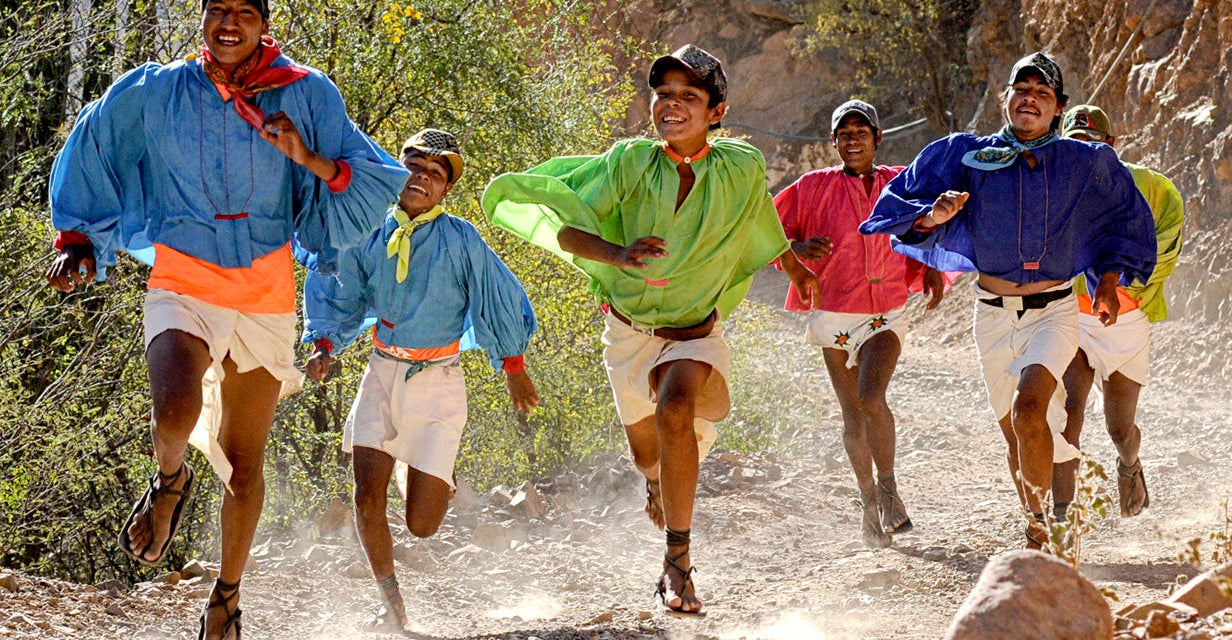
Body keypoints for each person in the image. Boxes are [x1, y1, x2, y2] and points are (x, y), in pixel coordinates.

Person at [45, 1, 409, 637]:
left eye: (245, 10)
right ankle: (170, 480)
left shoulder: (307, 93)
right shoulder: (158, 91)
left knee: (245, 465)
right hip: (183, 277)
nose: (230, 22)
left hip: (264, 291)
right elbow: (96, 141)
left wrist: (308, 157)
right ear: (203, 19)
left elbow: (371, 179)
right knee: (174, 411)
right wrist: (79, 239)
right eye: (217, 9)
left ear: (265, 24)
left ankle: (227, 596)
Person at [483, 44, 819, 615]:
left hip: (695, 334)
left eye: (689, 96)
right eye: (664, 94)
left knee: (674, 409)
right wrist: (615, 253)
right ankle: (659, 482)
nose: (672, 105)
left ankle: (678, 562)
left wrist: (790, 263)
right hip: (628, 333)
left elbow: (758, 217)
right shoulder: (630, 162)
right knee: (647, 457)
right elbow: (567, 231)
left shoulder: (741, 167)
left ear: (716, 111)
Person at [858, 52, 1157, 549]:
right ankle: (1054, 514)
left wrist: (1107, 278)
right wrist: (934, 215)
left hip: (1055, 311)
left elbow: (1122, 219)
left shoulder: (1082, 162)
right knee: (1019, 438)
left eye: (1043, 93)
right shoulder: (964, 157)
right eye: (1022, 89)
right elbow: (898, 205)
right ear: (1005, 98)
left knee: (1029, 410)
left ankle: (1044, 532)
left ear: (1058, 108)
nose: (1030, 100)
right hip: (991, 315)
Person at [302, 128, 540, 630]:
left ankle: (438, 477)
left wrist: (512, 366)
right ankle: (394, 610)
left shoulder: (461, 239)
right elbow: (340, 289)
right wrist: (324, 344)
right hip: (382, 372)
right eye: (414, 166)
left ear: (445, 189)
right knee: (366, 497)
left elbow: (497, 296)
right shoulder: (369, 231)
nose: (421, 178)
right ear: (399, 169)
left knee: (422, 525)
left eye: (435, 173)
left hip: (438, 381)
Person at [775, 99, 945, 548]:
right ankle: (867, 502)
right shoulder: (811, 187)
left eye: (861, 132)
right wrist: (795, 248)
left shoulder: (900, 181)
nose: (852, 140)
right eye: (844, 134)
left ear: (877, 139)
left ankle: (888, 489)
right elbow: (764, 229)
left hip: (886, 308)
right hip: (834, 312)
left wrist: (930, 267)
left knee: (872, 396)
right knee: (851, 413)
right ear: (833, 142)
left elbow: (927, 225)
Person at [1051, 105, 1183, 519]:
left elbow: (1168, 239)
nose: (1083, 152)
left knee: (1119, 428)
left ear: (1109, 146)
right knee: (1069, 412)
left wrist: (1124, 285)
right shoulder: (1050, 186)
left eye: (1091, 144)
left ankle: (1130, 465)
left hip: (1125, 323)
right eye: (1074, 145)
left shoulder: (1151, 186)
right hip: (1072, 318)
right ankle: (1061, 519)